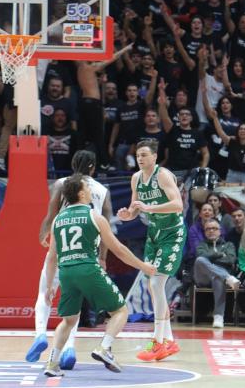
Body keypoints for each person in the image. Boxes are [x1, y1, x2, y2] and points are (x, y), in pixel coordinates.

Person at [43, 175, 156, 377]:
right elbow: (119, 249)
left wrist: (50, 285)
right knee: (121, 311)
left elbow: (51, 257)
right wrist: (143, 266)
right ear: (80, 193)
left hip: (67, 272)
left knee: (68, 320)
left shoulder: (58, 220)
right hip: (87, 268)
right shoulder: (94, 216)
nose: (90, 191)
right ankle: (104, 348)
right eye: (87, 187)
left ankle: (52, 363)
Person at [27, 151, 112, 369]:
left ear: (73, 164)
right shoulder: (103, 191)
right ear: (93, 167)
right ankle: (69, 347)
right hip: (88, 252)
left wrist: (43, 231)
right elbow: (107, 229)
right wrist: (103, 257)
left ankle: (39, 335)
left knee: (44, 292)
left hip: (63, 244)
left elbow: (51, 212)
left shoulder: (61, 184)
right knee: (73, 301)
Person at [117, 139, 186, 361]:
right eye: (138, 155)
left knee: (156, 283)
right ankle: (169, 341)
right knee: (153, 286)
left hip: (172, 233)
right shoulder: (136, 178)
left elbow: (178, 204)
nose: (140, 158)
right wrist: (128, 215)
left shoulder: (163, 175)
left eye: (145, 155)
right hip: (154, 234)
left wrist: (150, 207)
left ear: (155, 157)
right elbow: (135, 208)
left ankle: (157, 342)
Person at [193, 218, 240, 328]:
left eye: (214, 228)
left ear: (220, 231)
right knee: (200, 261)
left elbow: (231, 260)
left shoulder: (228, 245)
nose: (211, 231)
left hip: (217, 278)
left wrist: (210, 259)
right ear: (204, 232)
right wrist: (220, 255)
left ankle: (219, 316)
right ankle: (228, 278)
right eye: (208, 229)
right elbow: (201, 257)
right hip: (203, 278)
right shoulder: (201, 245)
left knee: (218, 278)